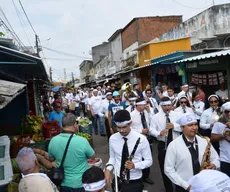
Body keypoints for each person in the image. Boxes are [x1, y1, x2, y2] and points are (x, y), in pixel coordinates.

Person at [164, 113, 220, 192]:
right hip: (183, 187)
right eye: (190, 125)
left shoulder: (204, 141)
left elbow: (216, 158)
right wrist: (186, 186)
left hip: (204, 184)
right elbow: (168, 169)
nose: (194, 128)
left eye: (195, 124)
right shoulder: (173, 145)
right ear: (182, 128)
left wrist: (214, 165)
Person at [105, 110, 152, 192]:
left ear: (130, 123)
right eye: (118, 127)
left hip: (135, 180)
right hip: (118, 179)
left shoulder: (142, 139)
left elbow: (149, 161)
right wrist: (108, 169)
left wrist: (135, 166)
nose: (121, 130)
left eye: (124, 127)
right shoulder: (112, 139)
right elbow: (113, 158)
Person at [49, 113, 95, 192]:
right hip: (80, 184)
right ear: (75, 125)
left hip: (63, 184)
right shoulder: (82, 141)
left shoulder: (53, 141)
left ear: (62, 125)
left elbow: (51, 158)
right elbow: (92, 157)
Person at [149, 97, 181, 192]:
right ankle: (169, 189)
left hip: (177, 143)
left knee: (178, 167)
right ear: (161, 106)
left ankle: (179, 187)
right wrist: (159, 133)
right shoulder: (156, 117)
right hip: (163, 144)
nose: (167, 107)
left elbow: (184, 127)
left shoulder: (177, 115)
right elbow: (151, 130)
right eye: (164, 106)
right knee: (165, 169)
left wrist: (174, 125)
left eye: (168, 105)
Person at [130, 98, 154, 184]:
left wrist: (149, 112)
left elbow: (152, 122)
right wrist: (141, 131)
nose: (145, 106)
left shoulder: (146, 112)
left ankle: (146, 176)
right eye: (144, 105)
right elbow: (129, 129)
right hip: (137, 140)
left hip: (147, 138)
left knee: (147, 157)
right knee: (139, 158)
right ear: (138, 105)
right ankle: (139, 176)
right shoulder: (132, 115)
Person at [211, 102, 230, 177]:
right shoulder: (218, 124)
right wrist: (222, 136)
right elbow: (212, 138)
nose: (229, 113)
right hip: (225, 158)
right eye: (227, 111)